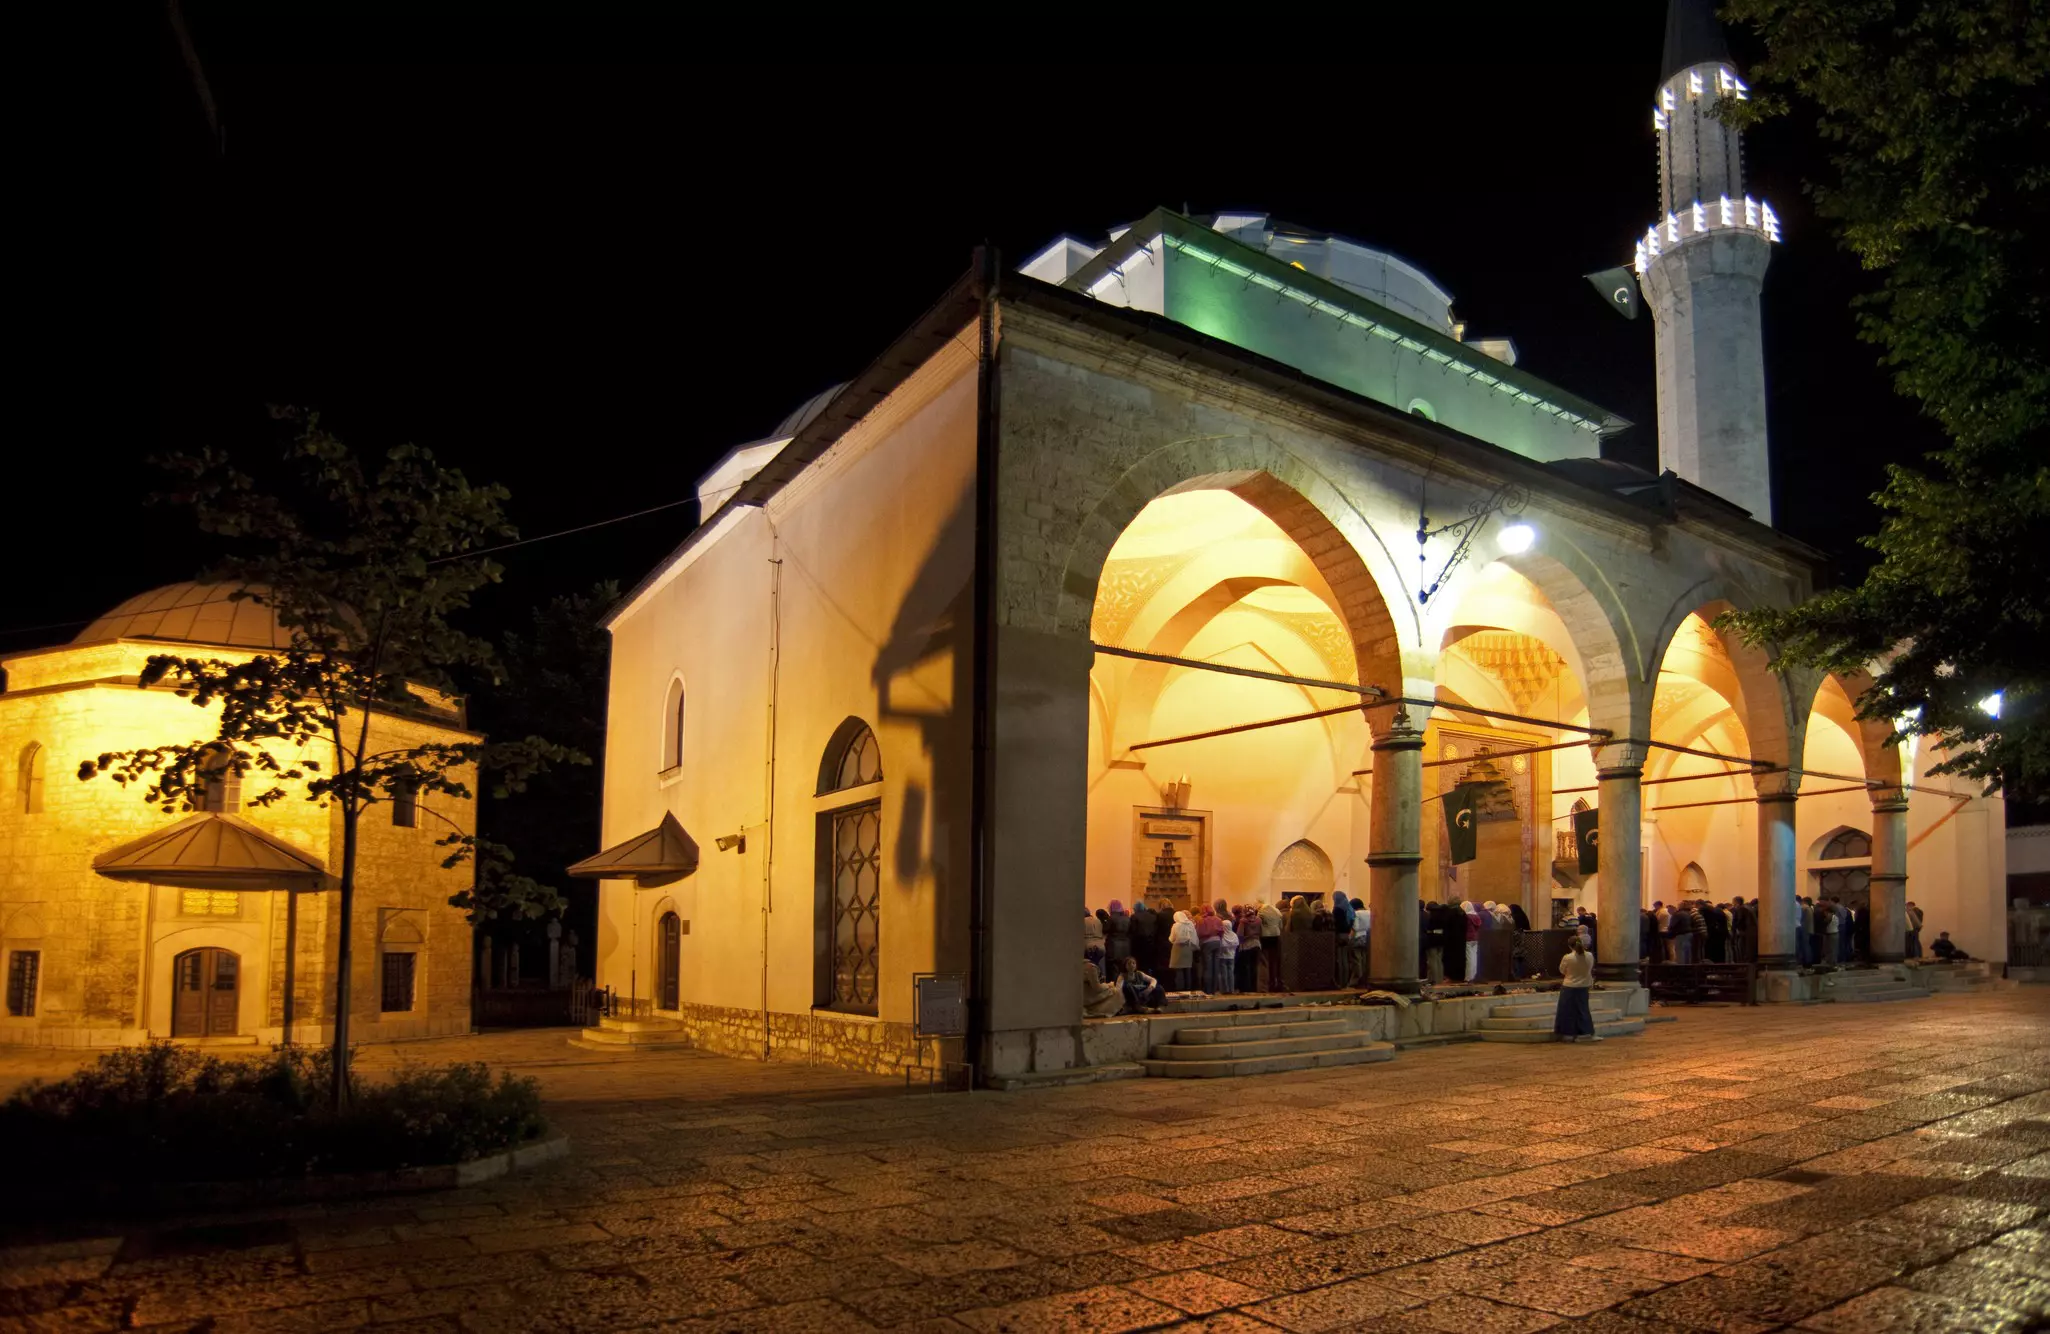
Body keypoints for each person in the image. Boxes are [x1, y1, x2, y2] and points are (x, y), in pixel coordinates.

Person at [1554, 933, 1599, 1042]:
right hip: (1584, 985)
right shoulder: (1589, 956)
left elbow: (1562, 970)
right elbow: (1590, 968)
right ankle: (1585, 1032)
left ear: (1570, 946)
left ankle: (1568, 1034)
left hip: (1569, 986)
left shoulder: (1568, 957)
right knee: (1583, 1009)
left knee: (1567, 1011)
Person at [1196, 902, 1225, 994]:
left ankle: (1207, 990)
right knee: (1216, 967)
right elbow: (1222, 932)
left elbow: (1199, 934)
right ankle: (1214, 989)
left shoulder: (1201, 920)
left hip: (1207, 943)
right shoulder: (1218, 919)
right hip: (1217, 942)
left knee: (1207, 967)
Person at [1168, 910, 1199, 991]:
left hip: (1177, 949)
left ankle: (1179, 987)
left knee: (1178, 969)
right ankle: (1188, 987)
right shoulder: (1191, 924)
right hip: (1188, 949)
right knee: (1187, 968)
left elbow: (1172, 938)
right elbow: (1194, 937)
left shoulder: (1175, 925)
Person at [1129, 899, 1158, 980]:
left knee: (1139, 966)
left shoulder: (1134, 916)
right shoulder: (1152, 917)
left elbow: (1132, 930)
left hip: (1138, 945)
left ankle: (1140, 981)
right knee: (1148, 964)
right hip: (1151, 944)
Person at [1259, 899, 1284, 989]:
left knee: (1265, 961)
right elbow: (1281, 926)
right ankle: (1275, 982)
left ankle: (1266, 984)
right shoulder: (1277, 912)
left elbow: (1259, 925)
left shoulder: (1261, 913)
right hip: (1276, 936)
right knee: (1274, 961)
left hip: (1265, 937)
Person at [1104, 900, 1131, 974]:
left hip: (1113, 946)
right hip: (1126, 946)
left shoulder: (1111, 918)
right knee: (1123, 967)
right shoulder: (1127, 918)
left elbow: (1105, 930)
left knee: (1113, 969)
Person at [1350, 897, 1371, 987]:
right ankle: (1365, 979)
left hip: (1358, 937)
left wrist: (1351, 938)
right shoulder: (1370, 913)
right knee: (1365, 959)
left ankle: (1358, 979)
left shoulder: (1356, 913)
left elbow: (1356, 927)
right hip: (1368, 937)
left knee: (1357, 959)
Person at [1217, 915, 1239, 995]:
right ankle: (1231, 989)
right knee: (1231, 973)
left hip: (1222, 956)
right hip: (1231, 956)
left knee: (1223, 973)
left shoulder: (1222, 936)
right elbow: (1237, 944)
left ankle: (1224, 989)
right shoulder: (1234, 935)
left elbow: (1221, 945)